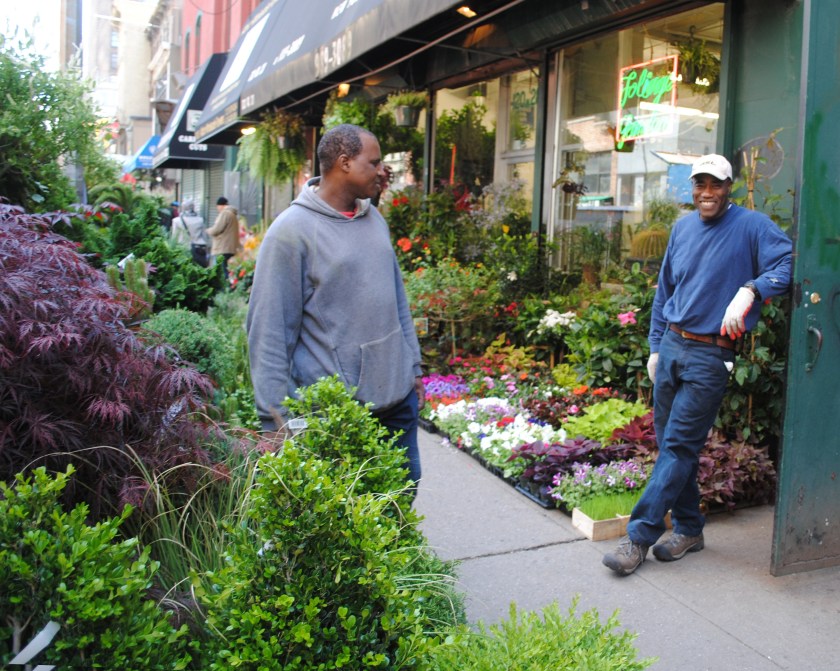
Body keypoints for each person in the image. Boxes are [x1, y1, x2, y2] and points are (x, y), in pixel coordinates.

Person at [602, 153, 792, 576]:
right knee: (673, 445)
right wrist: (655, 346)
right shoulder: (683, 227)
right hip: (672, 345)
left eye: (716, 185)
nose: (707, 193)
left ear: (729, 187)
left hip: (711, 354)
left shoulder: (752, 226)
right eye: (700, 185)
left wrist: (752, 290)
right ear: (692, 188)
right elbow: (664, 290)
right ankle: (689, 528)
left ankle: (638, 537)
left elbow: (789, 264)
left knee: (679, 447)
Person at [246, 123, 425, 492]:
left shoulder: (373, 218)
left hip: (397, 402)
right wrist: (276, 420)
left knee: (402, 497)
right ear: (344, 163)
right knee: (353, 525)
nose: (381, 171)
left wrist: (412, 366)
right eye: (373, 162)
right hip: (340, 415)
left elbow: (396, 300)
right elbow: (270, 332)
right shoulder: (290, 233)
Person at [170, 198, 210, 267]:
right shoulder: (200, 220)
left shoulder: (176, 221)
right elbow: (205, 237)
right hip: (199, 250)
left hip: (183, 250)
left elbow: (174, 238)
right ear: (193, 207)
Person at [207, 196, 240, 277]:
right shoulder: (233, 214)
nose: (217, 209)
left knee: (221, 272)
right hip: (230, 248)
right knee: (227, 270)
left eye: (217, 206)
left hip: (222, 247)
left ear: (220, 205)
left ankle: (223, 289)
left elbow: (217, 229)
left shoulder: (225, 213)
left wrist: (208, 231)